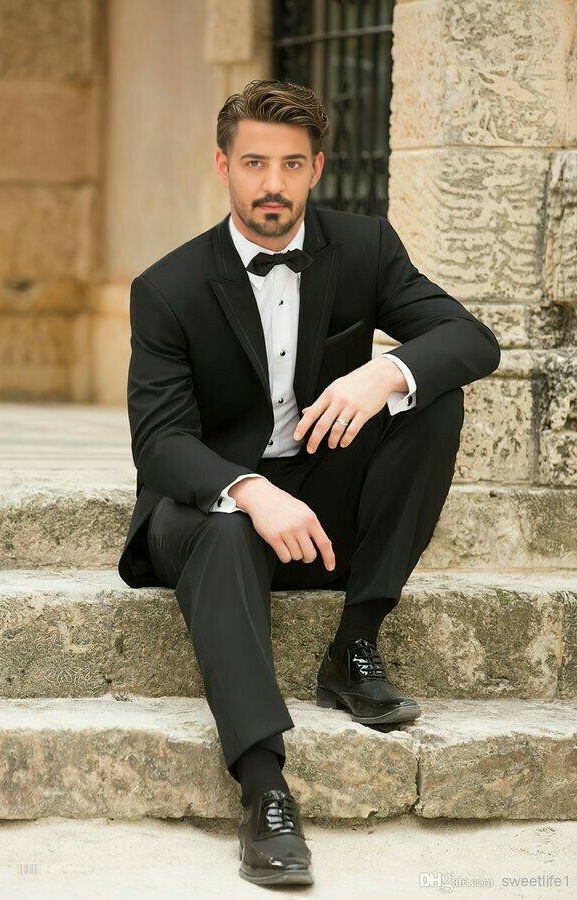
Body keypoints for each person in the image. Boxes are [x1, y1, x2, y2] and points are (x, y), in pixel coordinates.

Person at [117, 79, 501, 886]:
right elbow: (160, 445)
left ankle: (355, 646)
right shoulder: (168, 288)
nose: (273, 184)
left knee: (431, 396)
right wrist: (250, 490)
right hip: (209, 511)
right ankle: (265, 791)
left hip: (324, 501)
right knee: (228, 526)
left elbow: (471, 339)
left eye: (291, 164)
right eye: (254, 163)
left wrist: (384, 374)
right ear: (223, 165)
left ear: (317, 169)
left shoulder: (363, 247)